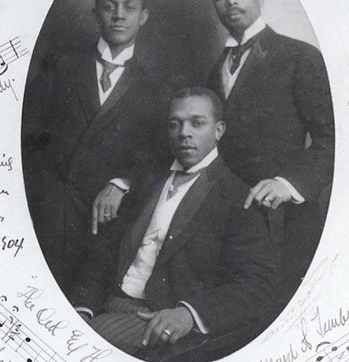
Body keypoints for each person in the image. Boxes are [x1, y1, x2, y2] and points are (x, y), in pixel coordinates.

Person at [71, 88, 278, 355]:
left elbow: (256, 286)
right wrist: (81, 308)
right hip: (106, 304)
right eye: (175, 124)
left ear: (219, 130)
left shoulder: (238, 198)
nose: (184, 132)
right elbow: (103, 254)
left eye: (197, 122)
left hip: (157, 316)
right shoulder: (145, 182)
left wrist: (190, 314)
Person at [22, 0, 169, 298]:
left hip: (108, 220)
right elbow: (28, 136)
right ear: (95, 14)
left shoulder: (157, 84)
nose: (119, 15)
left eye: (129, 8)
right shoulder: (61, 65)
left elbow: (159, 152)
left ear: (143, 16)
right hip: (50, 209)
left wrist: (122, 182)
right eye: (109, 7)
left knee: (84, 300)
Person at [207, 0, 335, 300]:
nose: (230, 1)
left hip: (283, 220)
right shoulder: (212, 70)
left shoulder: (300, 56)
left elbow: (332, 139)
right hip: (226, 221)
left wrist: (287, 183)